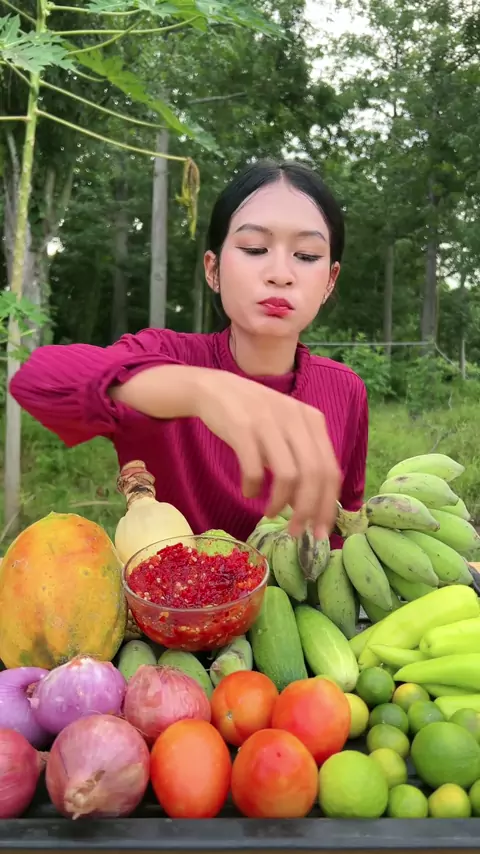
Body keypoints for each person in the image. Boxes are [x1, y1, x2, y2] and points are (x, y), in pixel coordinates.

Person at [10, 159, 368, 544]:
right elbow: (35, 379)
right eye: (254, 248)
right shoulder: (165, 359)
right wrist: (198, 390)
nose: (280, 274)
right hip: (169, 583)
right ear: (213, 270)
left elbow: (343, 529)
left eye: (307, 255)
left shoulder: (345, 390)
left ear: (330, 281)